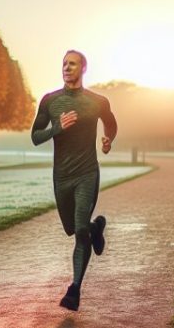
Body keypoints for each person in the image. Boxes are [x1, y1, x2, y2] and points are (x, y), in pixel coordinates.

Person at [31, 50, 118, 311]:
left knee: (78, 232)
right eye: (64, 64)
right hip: (62, 177)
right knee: (72, 229)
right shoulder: (50, 101)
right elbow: (36, 136)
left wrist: (108, 139)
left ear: (83, 68)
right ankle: (95, 228)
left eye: (73, 64)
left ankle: (74, 290)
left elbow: (111, 124)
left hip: (87, 173)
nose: (67, 68)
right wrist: (57, 128)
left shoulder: (97, 101)